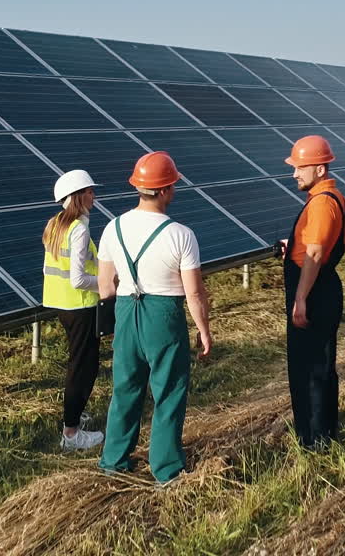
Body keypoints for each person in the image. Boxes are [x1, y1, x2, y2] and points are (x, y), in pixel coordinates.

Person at [97, 151, 213, 484]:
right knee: (169, 390)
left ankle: (114, 461)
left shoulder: (113, 228)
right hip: (163, 315)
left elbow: (106, 286)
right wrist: (204, 330)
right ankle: (167, 468)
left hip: (124, 310)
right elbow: (194, 293)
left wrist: (118, 323)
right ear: (164, 190)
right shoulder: (181, 234)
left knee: (125, 388)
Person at [281, 135, 345, 450]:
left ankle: (316, 441)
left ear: (320, 169)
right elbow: (312, 246)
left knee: (310, 370)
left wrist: (300, 299)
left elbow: (315, 253)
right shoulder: (327, 198)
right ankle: (321, 433)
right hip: (318, 289)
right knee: (316, 365)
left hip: (314, 293)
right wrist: (293, 246)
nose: (294, 173)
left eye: (300, 167)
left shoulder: (322, 203)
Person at [42, 169, 105, 451]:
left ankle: (75, 414)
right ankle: (71, 433)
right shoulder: (79, 229)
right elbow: (78, 279)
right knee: (83, 368)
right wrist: (106, 282)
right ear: (77, 196)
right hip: (81, 306)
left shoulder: (55, 224)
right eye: (89, 191)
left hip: (61, 304)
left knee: (78, 364)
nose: (94, 196)